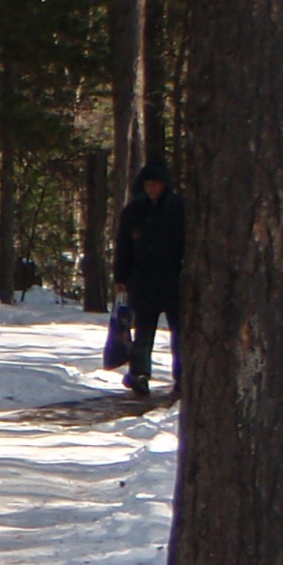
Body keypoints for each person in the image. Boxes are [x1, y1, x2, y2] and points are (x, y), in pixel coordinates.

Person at [112, 157, 185, 397]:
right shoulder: (133, 212)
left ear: (165, 184)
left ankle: (183, 377)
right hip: (143, 282)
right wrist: (121, 276)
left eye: (155, 183)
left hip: (175, 281)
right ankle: (139, 375)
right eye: (147, 184)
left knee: (180, 334)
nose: (151, 188)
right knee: (143, 333)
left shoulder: (180, 209)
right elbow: (124, 246)